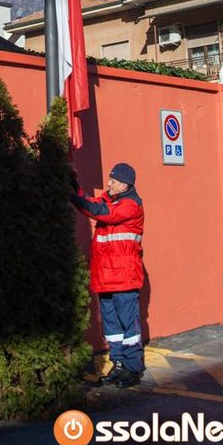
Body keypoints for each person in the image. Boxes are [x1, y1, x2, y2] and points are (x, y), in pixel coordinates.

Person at [70, 162, 144, 387]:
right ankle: (119, 364)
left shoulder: (131, 205)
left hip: (123, 278)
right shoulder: (111, 199)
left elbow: (101, 212)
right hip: (106, 276)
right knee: (112, 325)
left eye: (112, 181)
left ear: (124, 184)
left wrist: (71, 197)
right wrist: (76, 188)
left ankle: (133, 368)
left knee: (128, 325)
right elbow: (92, 204)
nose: (108, 184)